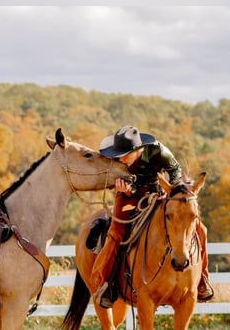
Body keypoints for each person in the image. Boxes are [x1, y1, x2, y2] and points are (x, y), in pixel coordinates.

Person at [91, 125, 214, 308]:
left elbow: (175, 171)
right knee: (116, 231)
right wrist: (125, 189)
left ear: (138, 150)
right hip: (128, 195)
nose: (121, 158)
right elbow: (120, 184)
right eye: (118, 154)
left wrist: (171, 193)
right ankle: (104, 282)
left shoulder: (158, 151)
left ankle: (202, 278)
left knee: (200, 229)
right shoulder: (115, 161)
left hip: (161, 193)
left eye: (125, 154)